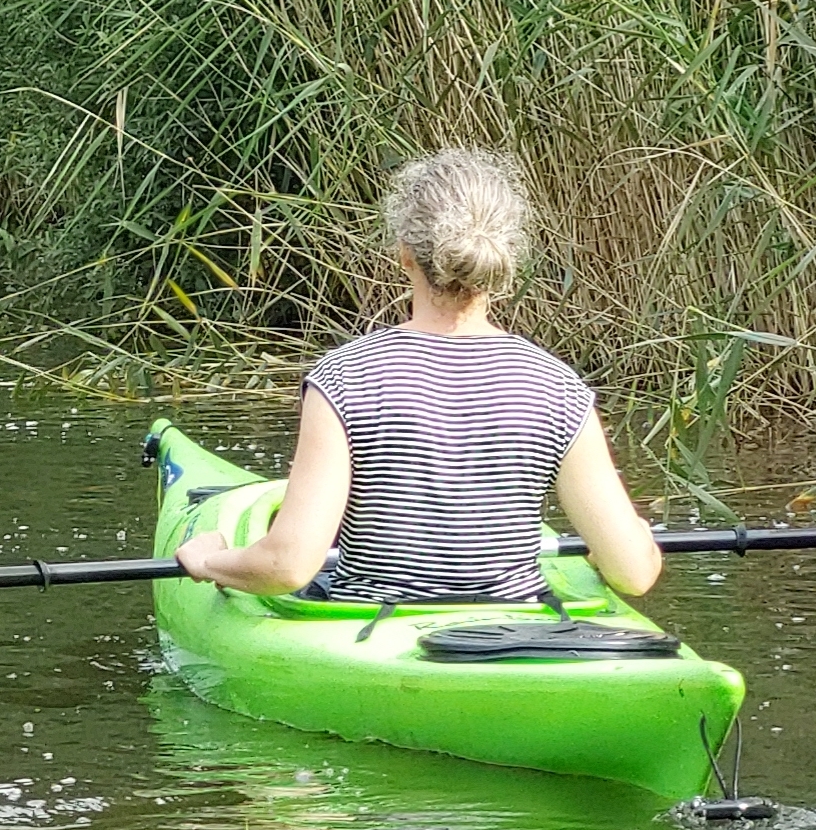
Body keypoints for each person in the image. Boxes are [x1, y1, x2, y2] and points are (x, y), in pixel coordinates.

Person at [172, 149, 662, 604]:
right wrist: (632, 540)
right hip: (514, 626)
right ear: (505, 258)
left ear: (405, 252)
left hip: (371, 629)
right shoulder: (558, 386)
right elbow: (634, 575)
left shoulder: (344, 377)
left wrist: (209, 560)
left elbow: (288, 566)